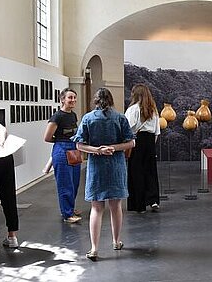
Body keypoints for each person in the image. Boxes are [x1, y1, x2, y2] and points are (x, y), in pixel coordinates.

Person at [72, 88, 135, 261]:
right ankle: (116, 241)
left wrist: (97, 150)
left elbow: (79, 145)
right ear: (111, 99)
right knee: (116, 207)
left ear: (95, 100)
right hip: (116, 166)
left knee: (96, 208)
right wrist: (113, 148)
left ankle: (94, 249)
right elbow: (131, 142)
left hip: (96, 166)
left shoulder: (88, 118)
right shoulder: (120, 118)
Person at [43, 88, 82, 223]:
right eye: (70, 97)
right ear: (62, 100)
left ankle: (70, 208)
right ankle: (67, 214)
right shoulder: (57, 116)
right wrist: (62, 141)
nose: (73, 100)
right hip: (61, 150)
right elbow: (47, 137)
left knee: (74, 182)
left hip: (74, 149)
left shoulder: (73, 115)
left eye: (74, 98)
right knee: (65, 184)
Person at [124, 84, 161, 213]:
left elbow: (127, 129)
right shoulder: (154, 110)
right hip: (150, 142)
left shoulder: (132, 110)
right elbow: (157, 132)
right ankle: (153, 200)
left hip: (136, 142)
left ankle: (139, 205)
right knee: (151, 172)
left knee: (136, 172)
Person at [0, 112, 20, 252]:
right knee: (9, 197)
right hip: (4, 155)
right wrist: (0, 145)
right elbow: (3, 129)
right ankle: (12, 236)